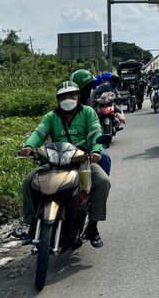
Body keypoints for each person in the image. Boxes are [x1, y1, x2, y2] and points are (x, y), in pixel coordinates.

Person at [20, 81, 111, 248]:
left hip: (82, 161)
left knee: (103, 182)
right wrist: (28, 146)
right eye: (63, 96)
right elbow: (39, 132)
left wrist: (96, 150)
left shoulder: (88, 113)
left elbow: (95, 132)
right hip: (55, 162)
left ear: (78, 96)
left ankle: (92, 227)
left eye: (71, 95)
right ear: (58, 99)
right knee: (28, 182)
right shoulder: (51, 117)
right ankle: (30, 225)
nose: (68, 99)